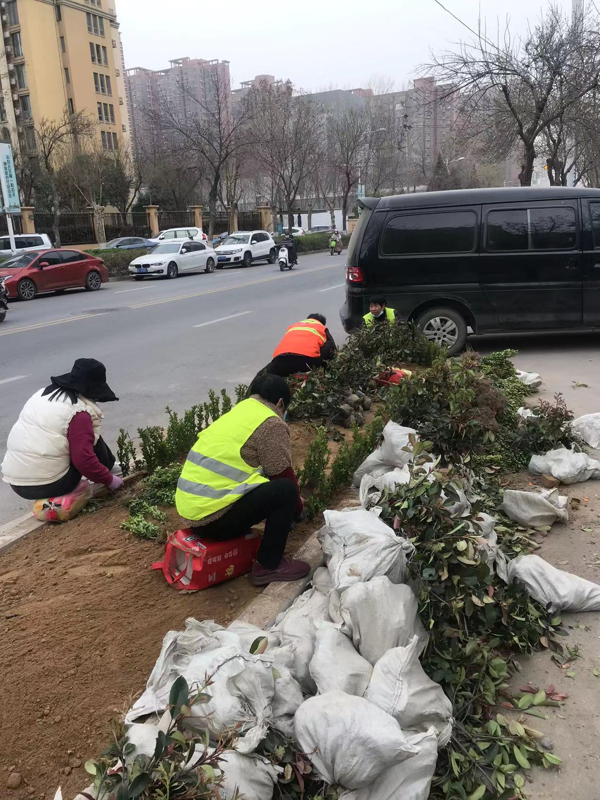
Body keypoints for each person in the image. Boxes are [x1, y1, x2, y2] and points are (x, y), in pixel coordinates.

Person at [176, 374, 310, 586]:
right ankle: (268, 565)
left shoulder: (239, 412)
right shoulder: (271, 423)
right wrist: (298, 507)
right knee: (286, 491)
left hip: (191, 512)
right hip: (212, 521)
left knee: (275, 487)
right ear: (280, 403)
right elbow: (282, 475)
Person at [1, 358, 124, 500]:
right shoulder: (79, 413)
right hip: (49, 484)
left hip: (15, 482)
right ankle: (106, 469)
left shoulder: (43, 394)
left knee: (83, 434)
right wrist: (108, 480)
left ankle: (107, 465)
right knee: (85, 436)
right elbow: (83, 461)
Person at [266, 313, 337, 377]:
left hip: (279, 360)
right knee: (329, 344)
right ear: (322, 323)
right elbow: (333, 346)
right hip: (306, 363)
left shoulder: (294, 326)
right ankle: (326, 372)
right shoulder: (321, 327)